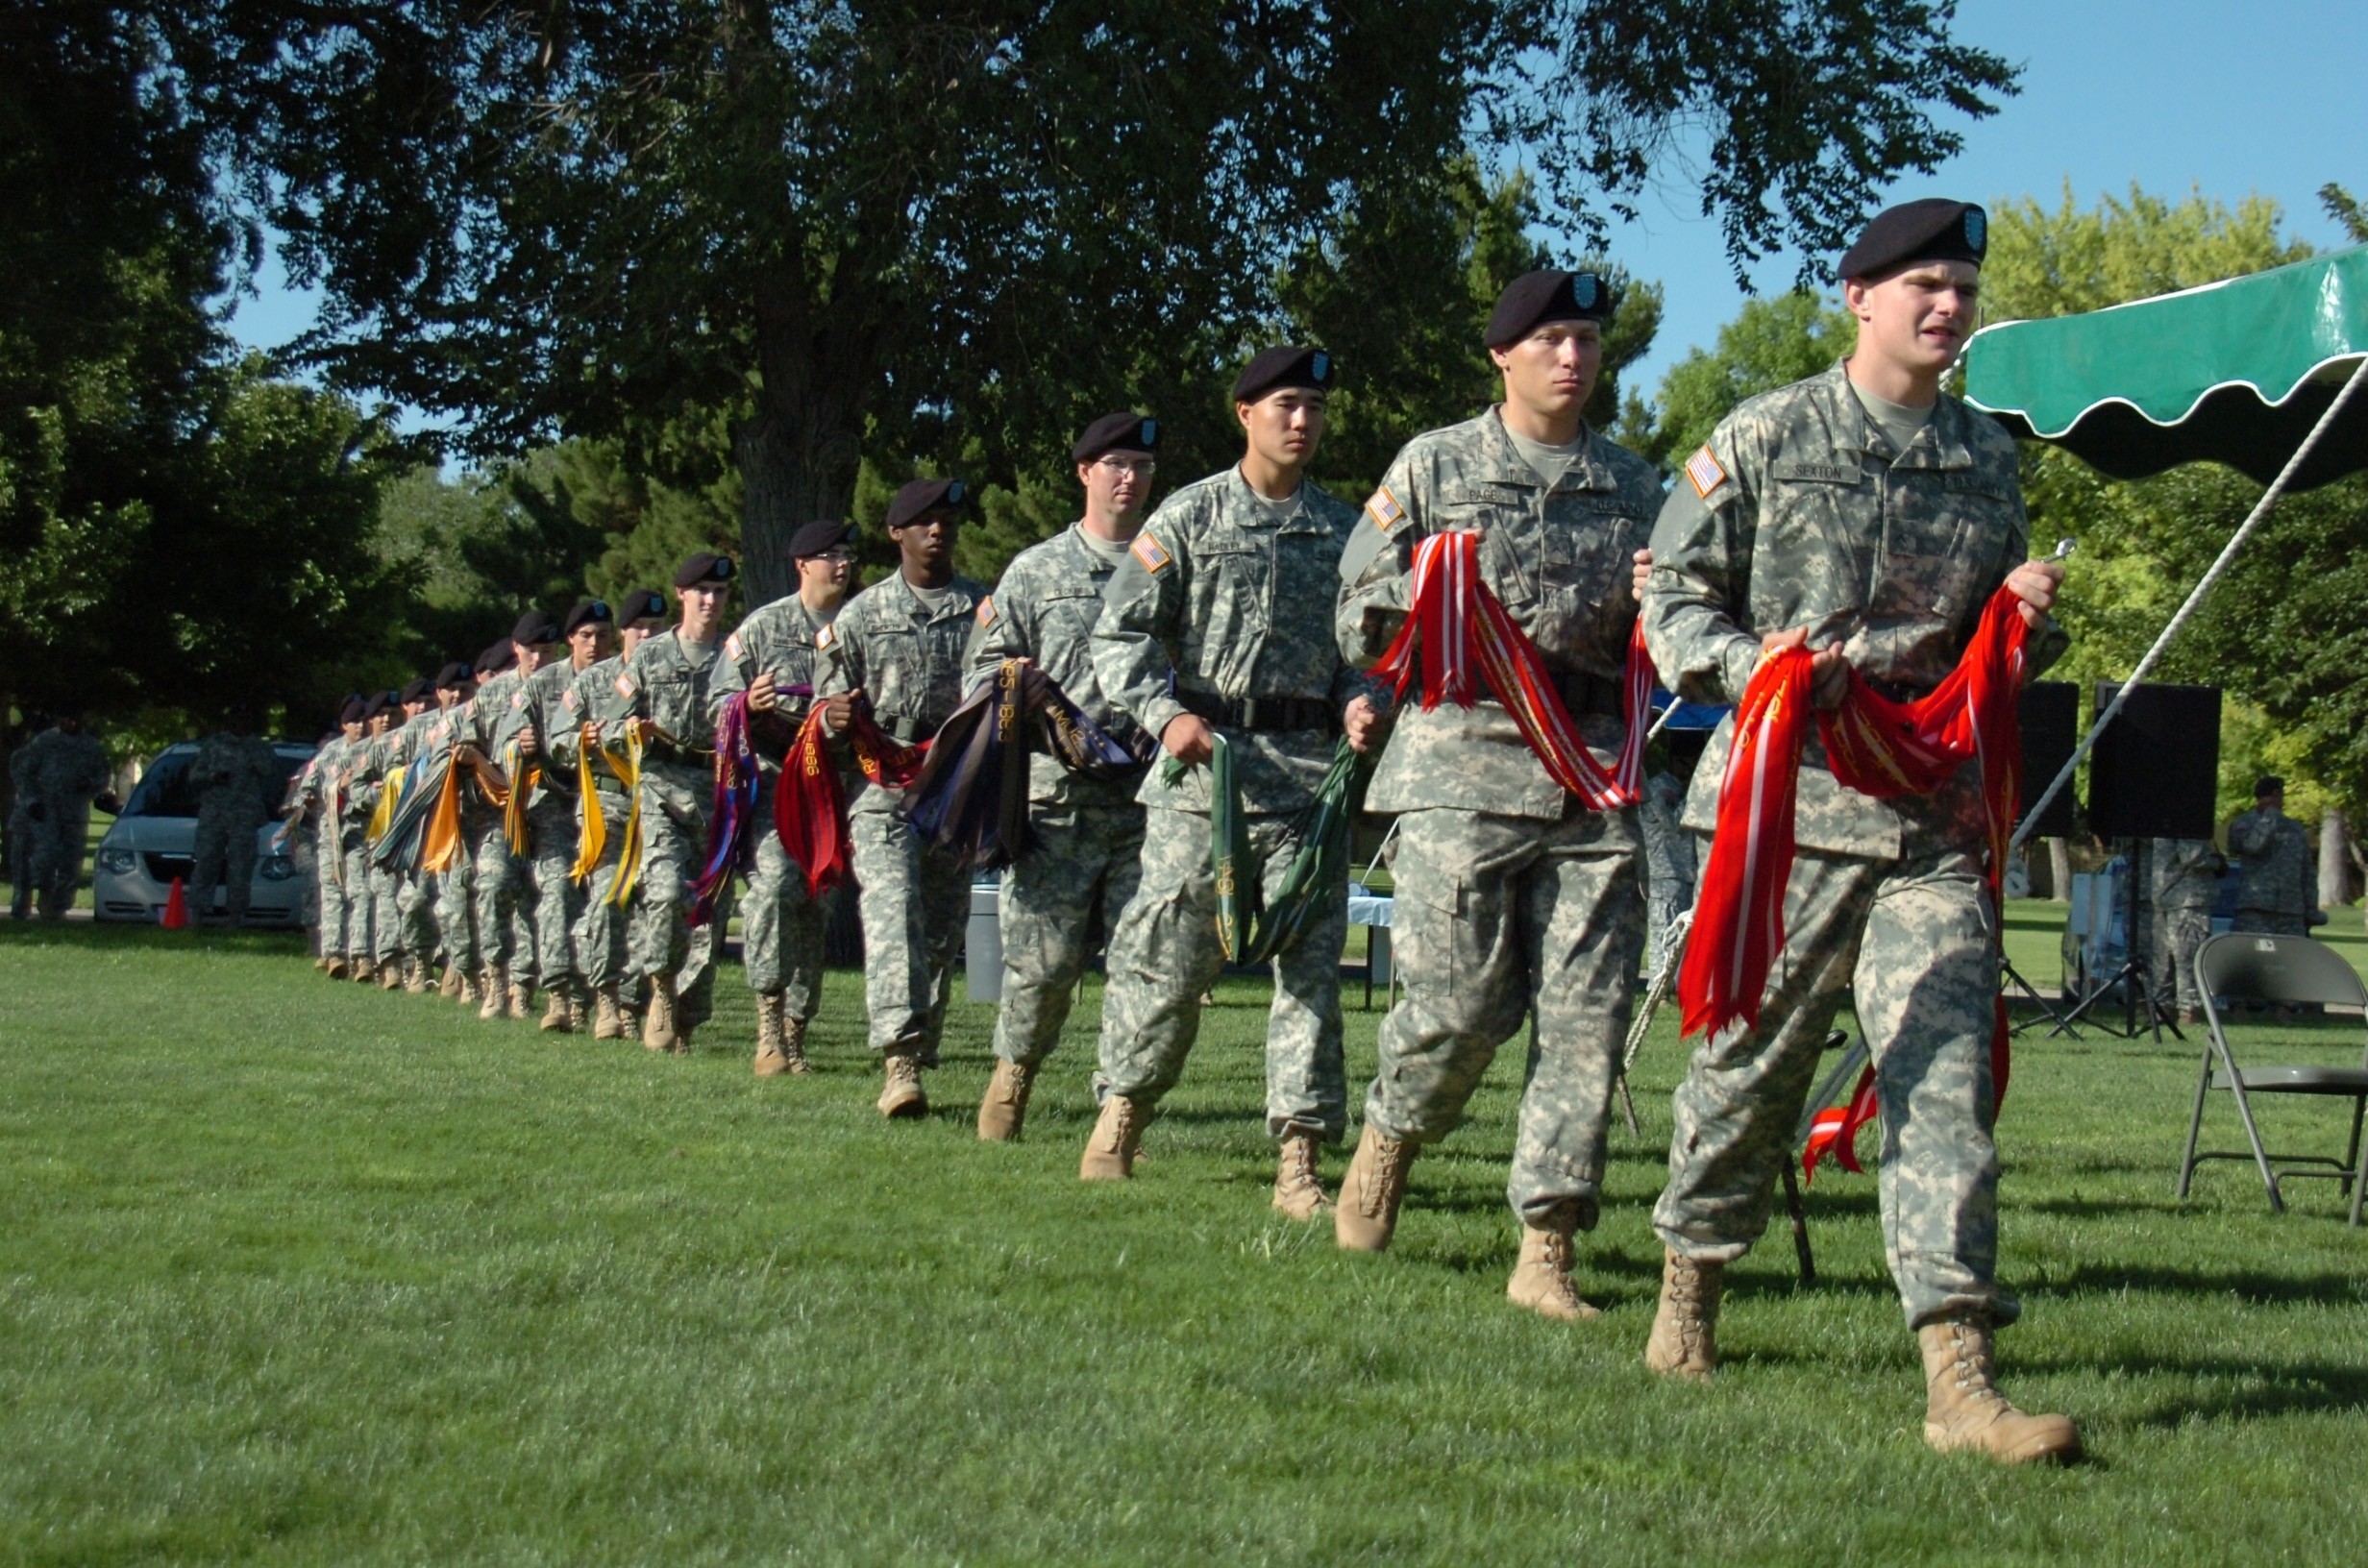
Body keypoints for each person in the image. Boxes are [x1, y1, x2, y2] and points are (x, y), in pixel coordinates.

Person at [1639, 200, 2081, 1462]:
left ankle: (1960, 1378)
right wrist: (1748, 665)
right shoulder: (1767, 434)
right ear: (1861, 298)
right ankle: (1692, 1289)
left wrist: (2020, 613)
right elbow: (1671, 593)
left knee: (1944, 1082)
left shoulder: (1987, 459)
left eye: (1964, 289)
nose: (1950, 307)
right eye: (1927, 285)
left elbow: (1980, 640)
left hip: (1928, 823)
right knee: (1748, 1077)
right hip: (1789, 808)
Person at [1331, 271, 1664, 1312]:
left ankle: (1547, 1245)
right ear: (1502, 356)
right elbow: (1356, 609)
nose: (1574, 358)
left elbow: (1691, 619)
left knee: (1586, 1017)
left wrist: (1671, 599)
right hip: (1461, 765)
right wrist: (1426, 588)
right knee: (1458, 1005)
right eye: (1553, 340)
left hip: (1593, 771)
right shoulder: (1435, 466)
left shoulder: (1636, 485)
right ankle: (1392, 1133)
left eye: (1588, 343)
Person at [1081, 346, 1387, 1216]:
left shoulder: (1346, 531)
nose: (1303, 421)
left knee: (1313, 973)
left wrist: (1364, 702)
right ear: (1244, 413)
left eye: (1316, 408)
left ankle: (1300, 1157)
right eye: (1286, 403)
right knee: (1167, 962)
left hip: (1309, 783)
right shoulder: (1189, 517)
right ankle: (1124, 1113)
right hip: (1203, 776)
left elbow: (1367, 652)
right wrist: (1163, 715)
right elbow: (1120, 636)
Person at [968, 413, 1160, 1139]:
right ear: (1084, 472)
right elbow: (982, 672)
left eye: (1141, 466)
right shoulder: (1038, 570)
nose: (1128, 478)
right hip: (1058, 805)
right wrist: (1041, 707)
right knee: (1041, 970)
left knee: (1144, 966)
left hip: (1148, 804)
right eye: (1114, 463)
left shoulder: (1170, 561)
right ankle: (1015, 1071)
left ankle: (1118, 1108)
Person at [817, 484, 988, 1112]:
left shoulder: (983, 608)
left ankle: (922, 1042)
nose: (936, 532)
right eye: (922, 522)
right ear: (895, 533)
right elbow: (824, 704)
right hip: (882, 785)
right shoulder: (862, 616)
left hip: (954, 785)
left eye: (946, 521)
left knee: (942, 931)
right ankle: (901, 1060)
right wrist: (829, 714)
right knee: (893, 910)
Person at [711, 527, 853, 1076]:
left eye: (847, 555)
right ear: (801, 564)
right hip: (775, 785)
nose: (841, 565)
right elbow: (717, 703)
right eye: (830, 555)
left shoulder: (859, 624)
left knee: (816, 904)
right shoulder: (766, 627)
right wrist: (747, 702)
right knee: (771, 891)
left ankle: (798, 1030)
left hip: (835, 790)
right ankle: (768, 1024)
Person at [611, 554, 737, 1053]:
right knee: (664, 894)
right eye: (701, 591)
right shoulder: (650, 656)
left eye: (720, 593)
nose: (710, 601)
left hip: (720, 796)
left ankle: (687, 1019)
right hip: (662, 791)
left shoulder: (736, 654)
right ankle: (661, 990)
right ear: (681, 594)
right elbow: (609, 725)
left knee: (708, 914)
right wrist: (628, 732)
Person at [559, 589, 669, 1039]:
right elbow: (556, 741)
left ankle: (634, 1003)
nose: (647, 635)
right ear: (625, 633)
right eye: (639, 627)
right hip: (608, 807)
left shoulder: (670, 674)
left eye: (656, 628)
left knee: (655, 910)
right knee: (608, 902)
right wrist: (579, 740)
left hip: (661, 807)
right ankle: (604, 996)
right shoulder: (592, 682)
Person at [452, 628, 542, 1019]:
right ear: (517, 649)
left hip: (550, 811)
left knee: (541, 900)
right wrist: (485, 764)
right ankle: (496, 978)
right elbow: (463, 749)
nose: (539, 658)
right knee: (494, 887)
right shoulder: (491, 695)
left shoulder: (563, 686)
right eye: (532, 649)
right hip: (497, 814)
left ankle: (526, 987)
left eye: (547, 649)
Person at [8, 707, 116, 920]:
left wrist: (89, 786)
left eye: (75, 719)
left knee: (72, 860)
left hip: (74, 811)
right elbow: (24, 772)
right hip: (46, 810)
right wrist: (31, 801)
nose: (71, 723)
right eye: (66, 719)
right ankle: (39, 897)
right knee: (44, 855)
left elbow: (103, 775)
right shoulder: (45, 742)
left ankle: (59, 907)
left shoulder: (90, 746)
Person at [188, 716, 279, 927]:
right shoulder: (214, 745)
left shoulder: (259, 746)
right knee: (205, 863)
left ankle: (235, 917)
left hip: (244, 816)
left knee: (240, 868)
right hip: (214, 814)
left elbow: (270, 771)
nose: (240, 724)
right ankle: (197, 915)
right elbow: (194, 775)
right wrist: (213, 776)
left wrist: (253, 757)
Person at [2136, 836, 2223, 1025]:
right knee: (2189, 957)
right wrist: (2217, 861)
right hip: (2187, 897)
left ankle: (2161, 1009)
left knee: (2163, 961)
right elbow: (2192, 856)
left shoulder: (2163, 822)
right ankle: (2188, 1011)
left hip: (2164, 896)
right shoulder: (2186, 820)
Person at [313, 698, 368, 975]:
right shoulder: (330, 753)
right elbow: (311, 787)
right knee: (332, 891)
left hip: (360, 832)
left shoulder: (372, 749)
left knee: (359, 891)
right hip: (333, 832)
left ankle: (359, 953)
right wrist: (339, 785)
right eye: (354, 721)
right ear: (344, 725)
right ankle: (333, 953)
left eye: (363, 720)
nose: (360, 726)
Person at [2228, 776, 2317, 937]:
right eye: (2276, 796)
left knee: (2291, 958)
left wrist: (2311, 910)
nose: (2280, 801)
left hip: (2291, 911)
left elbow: (2307, 872)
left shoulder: (2294, 828)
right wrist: (2269, 817)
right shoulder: (2243, 824)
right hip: (2255, 909)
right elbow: (2252, 846)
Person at [1640, 769, 1696, 981]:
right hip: (1664, 870)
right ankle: (1659, 987)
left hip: (1687, 871)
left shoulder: (1679, 787)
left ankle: (1678, 983)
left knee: (1685, 933)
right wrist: (1694, 795)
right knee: (1664, 929)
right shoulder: (1658, 787)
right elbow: (1672, 823)